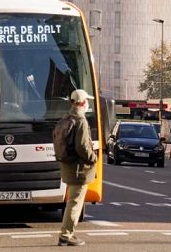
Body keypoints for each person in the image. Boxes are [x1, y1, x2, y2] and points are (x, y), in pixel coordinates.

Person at [57, 89, 97, 247]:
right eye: (87, 100)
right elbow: (81, 147)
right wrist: (93, 157)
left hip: (68, 166)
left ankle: (66, 233)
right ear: (83, 103)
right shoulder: (81, 121)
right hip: (79, 169)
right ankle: (66, 235)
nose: (88, 103)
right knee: (75, 202)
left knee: (72, 201)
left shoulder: (66, 117)